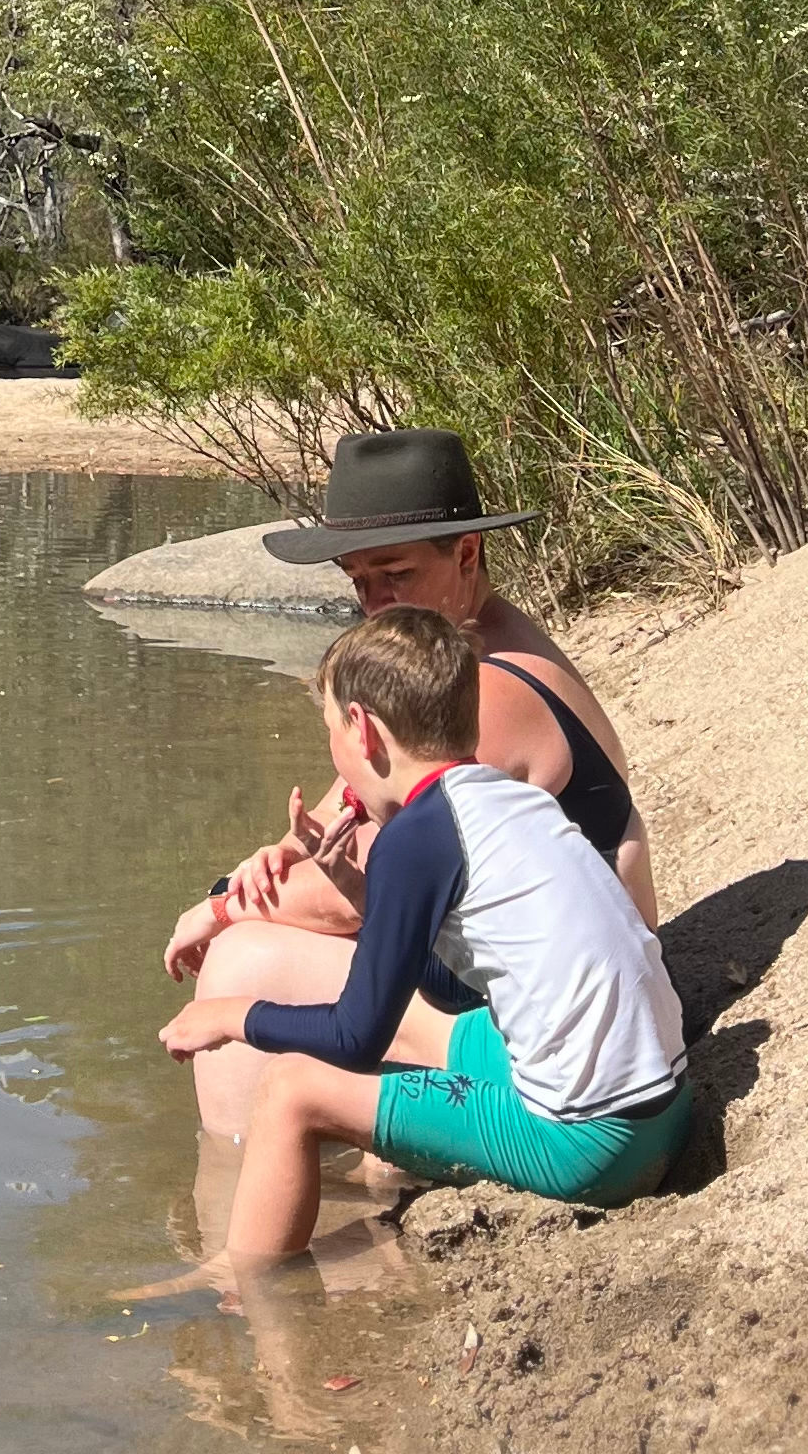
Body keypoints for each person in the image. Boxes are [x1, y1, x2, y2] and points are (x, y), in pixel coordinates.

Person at [164, 426, 656, 1138]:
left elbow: (360, 898)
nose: (376, 605)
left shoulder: (484, 689)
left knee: (245, 959)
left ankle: (237, 1198)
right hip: (568, 992)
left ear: (465, 553)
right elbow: (339, 814)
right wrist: (268, 865)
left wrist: (221, 911)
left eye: (396, 575)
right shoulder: (467, 650)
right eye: (359, 581)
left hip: (579, 1031)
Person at [157, 607, 690, 1261]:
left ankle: (244, 1288)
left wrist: (230, 1016)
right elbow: (445, 982)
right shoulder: (507, 797)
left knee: (291, 1091)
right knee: (432, 1028)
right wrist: (361, 893)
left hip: (589, 1147)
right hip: (663, 1116)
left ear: (363, 730)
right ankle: (369, 1179)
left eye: (329, 730)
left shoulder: (415, 836)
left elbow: (355, 1039)